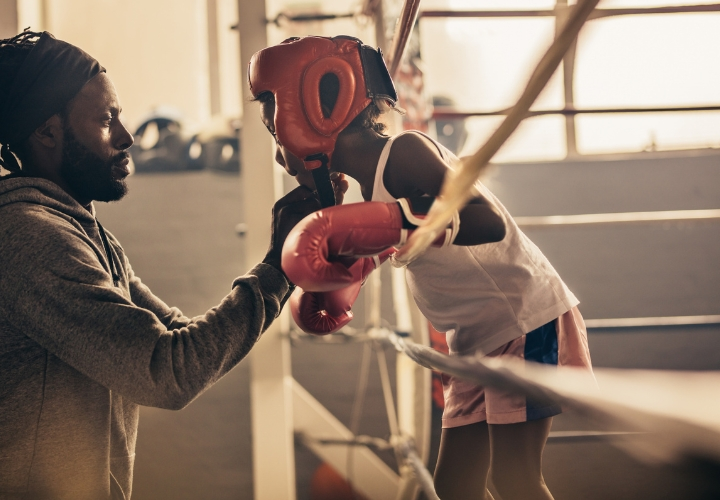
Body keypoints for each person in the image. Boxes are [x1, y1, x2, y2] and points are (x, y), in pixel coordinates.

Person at [0, 26, 322, 499]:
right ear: (47, 132)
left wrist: (280, 265)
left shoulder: (78, 232)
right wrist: (277, 268)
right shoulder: (26, 236)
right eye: (107, 119)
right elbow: (169, 373)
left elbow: (177, 343)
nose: (128, 137)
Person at [249, 36, 593, 500]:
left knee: (514, 481)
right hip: (472, 343)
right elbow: (397, 236)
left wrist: (393, 223)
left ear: (318, 104)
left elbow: (483, 221)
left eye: (274, 118)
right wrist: (343, 268)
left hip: (521, 320)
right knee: (456, 489)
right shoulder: (368, 191)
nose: (275, 138)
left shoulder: (405, 152)